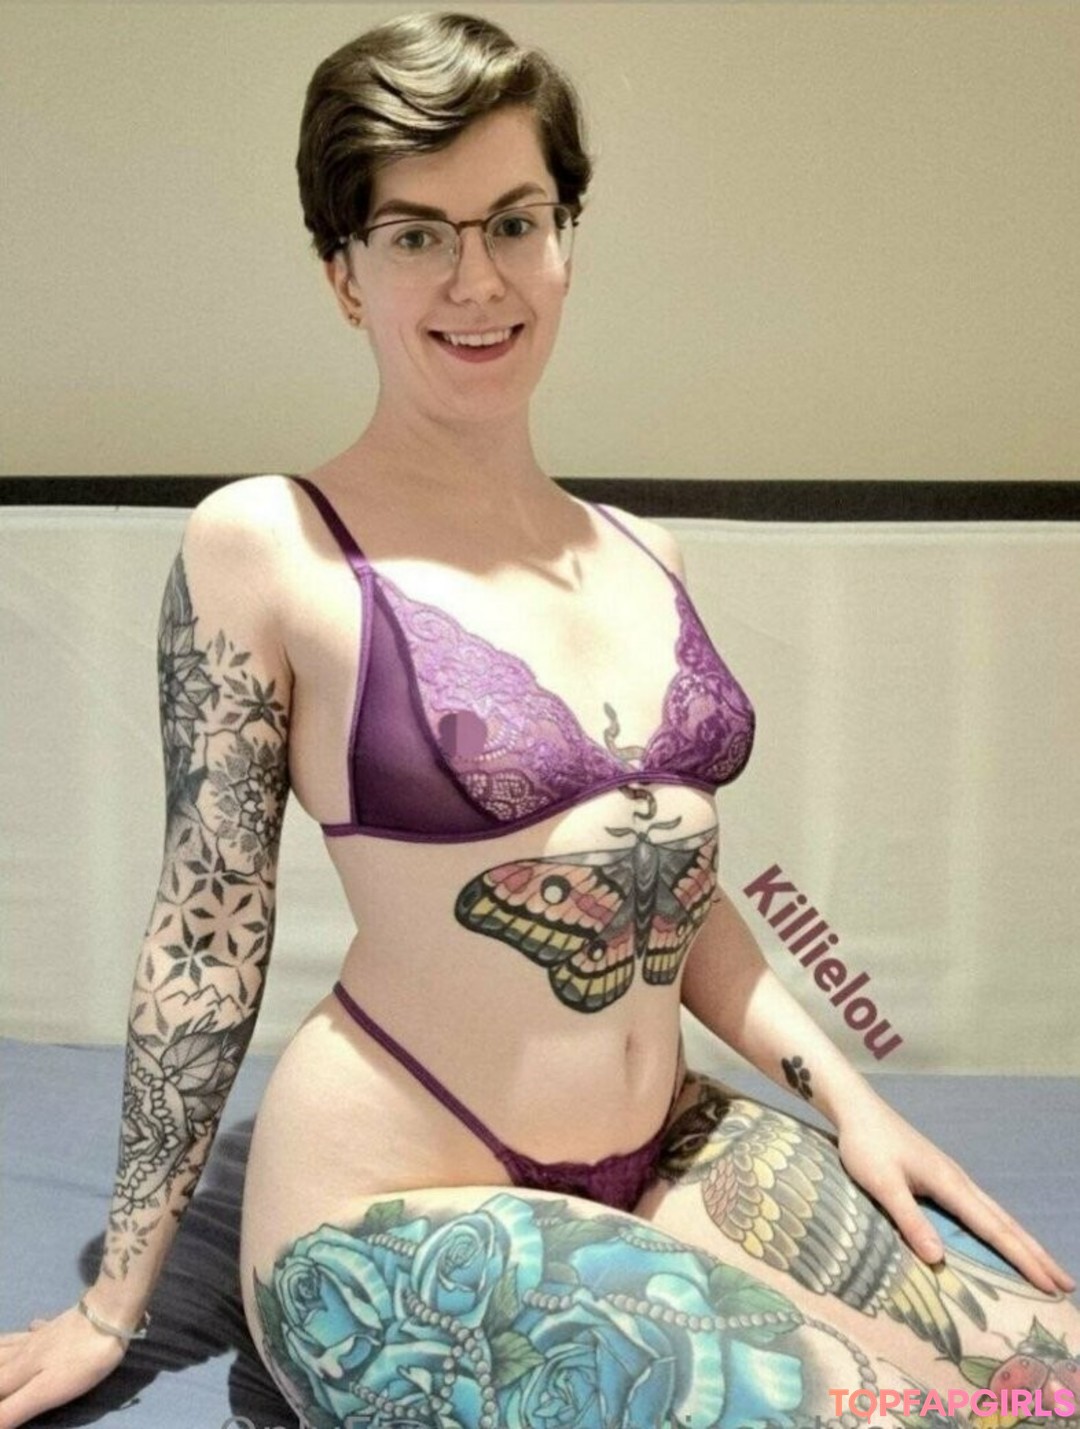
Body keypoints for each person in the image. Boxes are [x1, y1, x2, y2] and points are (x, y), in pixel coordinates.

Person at [1, 13, 1075, 1429]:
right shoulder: (268, 543)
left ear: (566, 239)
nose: (478, 279)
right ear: (343, 272)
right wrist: (109, 1306)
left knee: (1046, 1371)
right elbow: (207, 935)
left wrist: (848, 1093)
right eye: (416, 234)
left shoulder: (643, 552)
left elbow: (671, 889)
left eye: (515, 221)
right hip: (398, 1199)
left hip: (667, 1141)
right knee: (869, 1411)